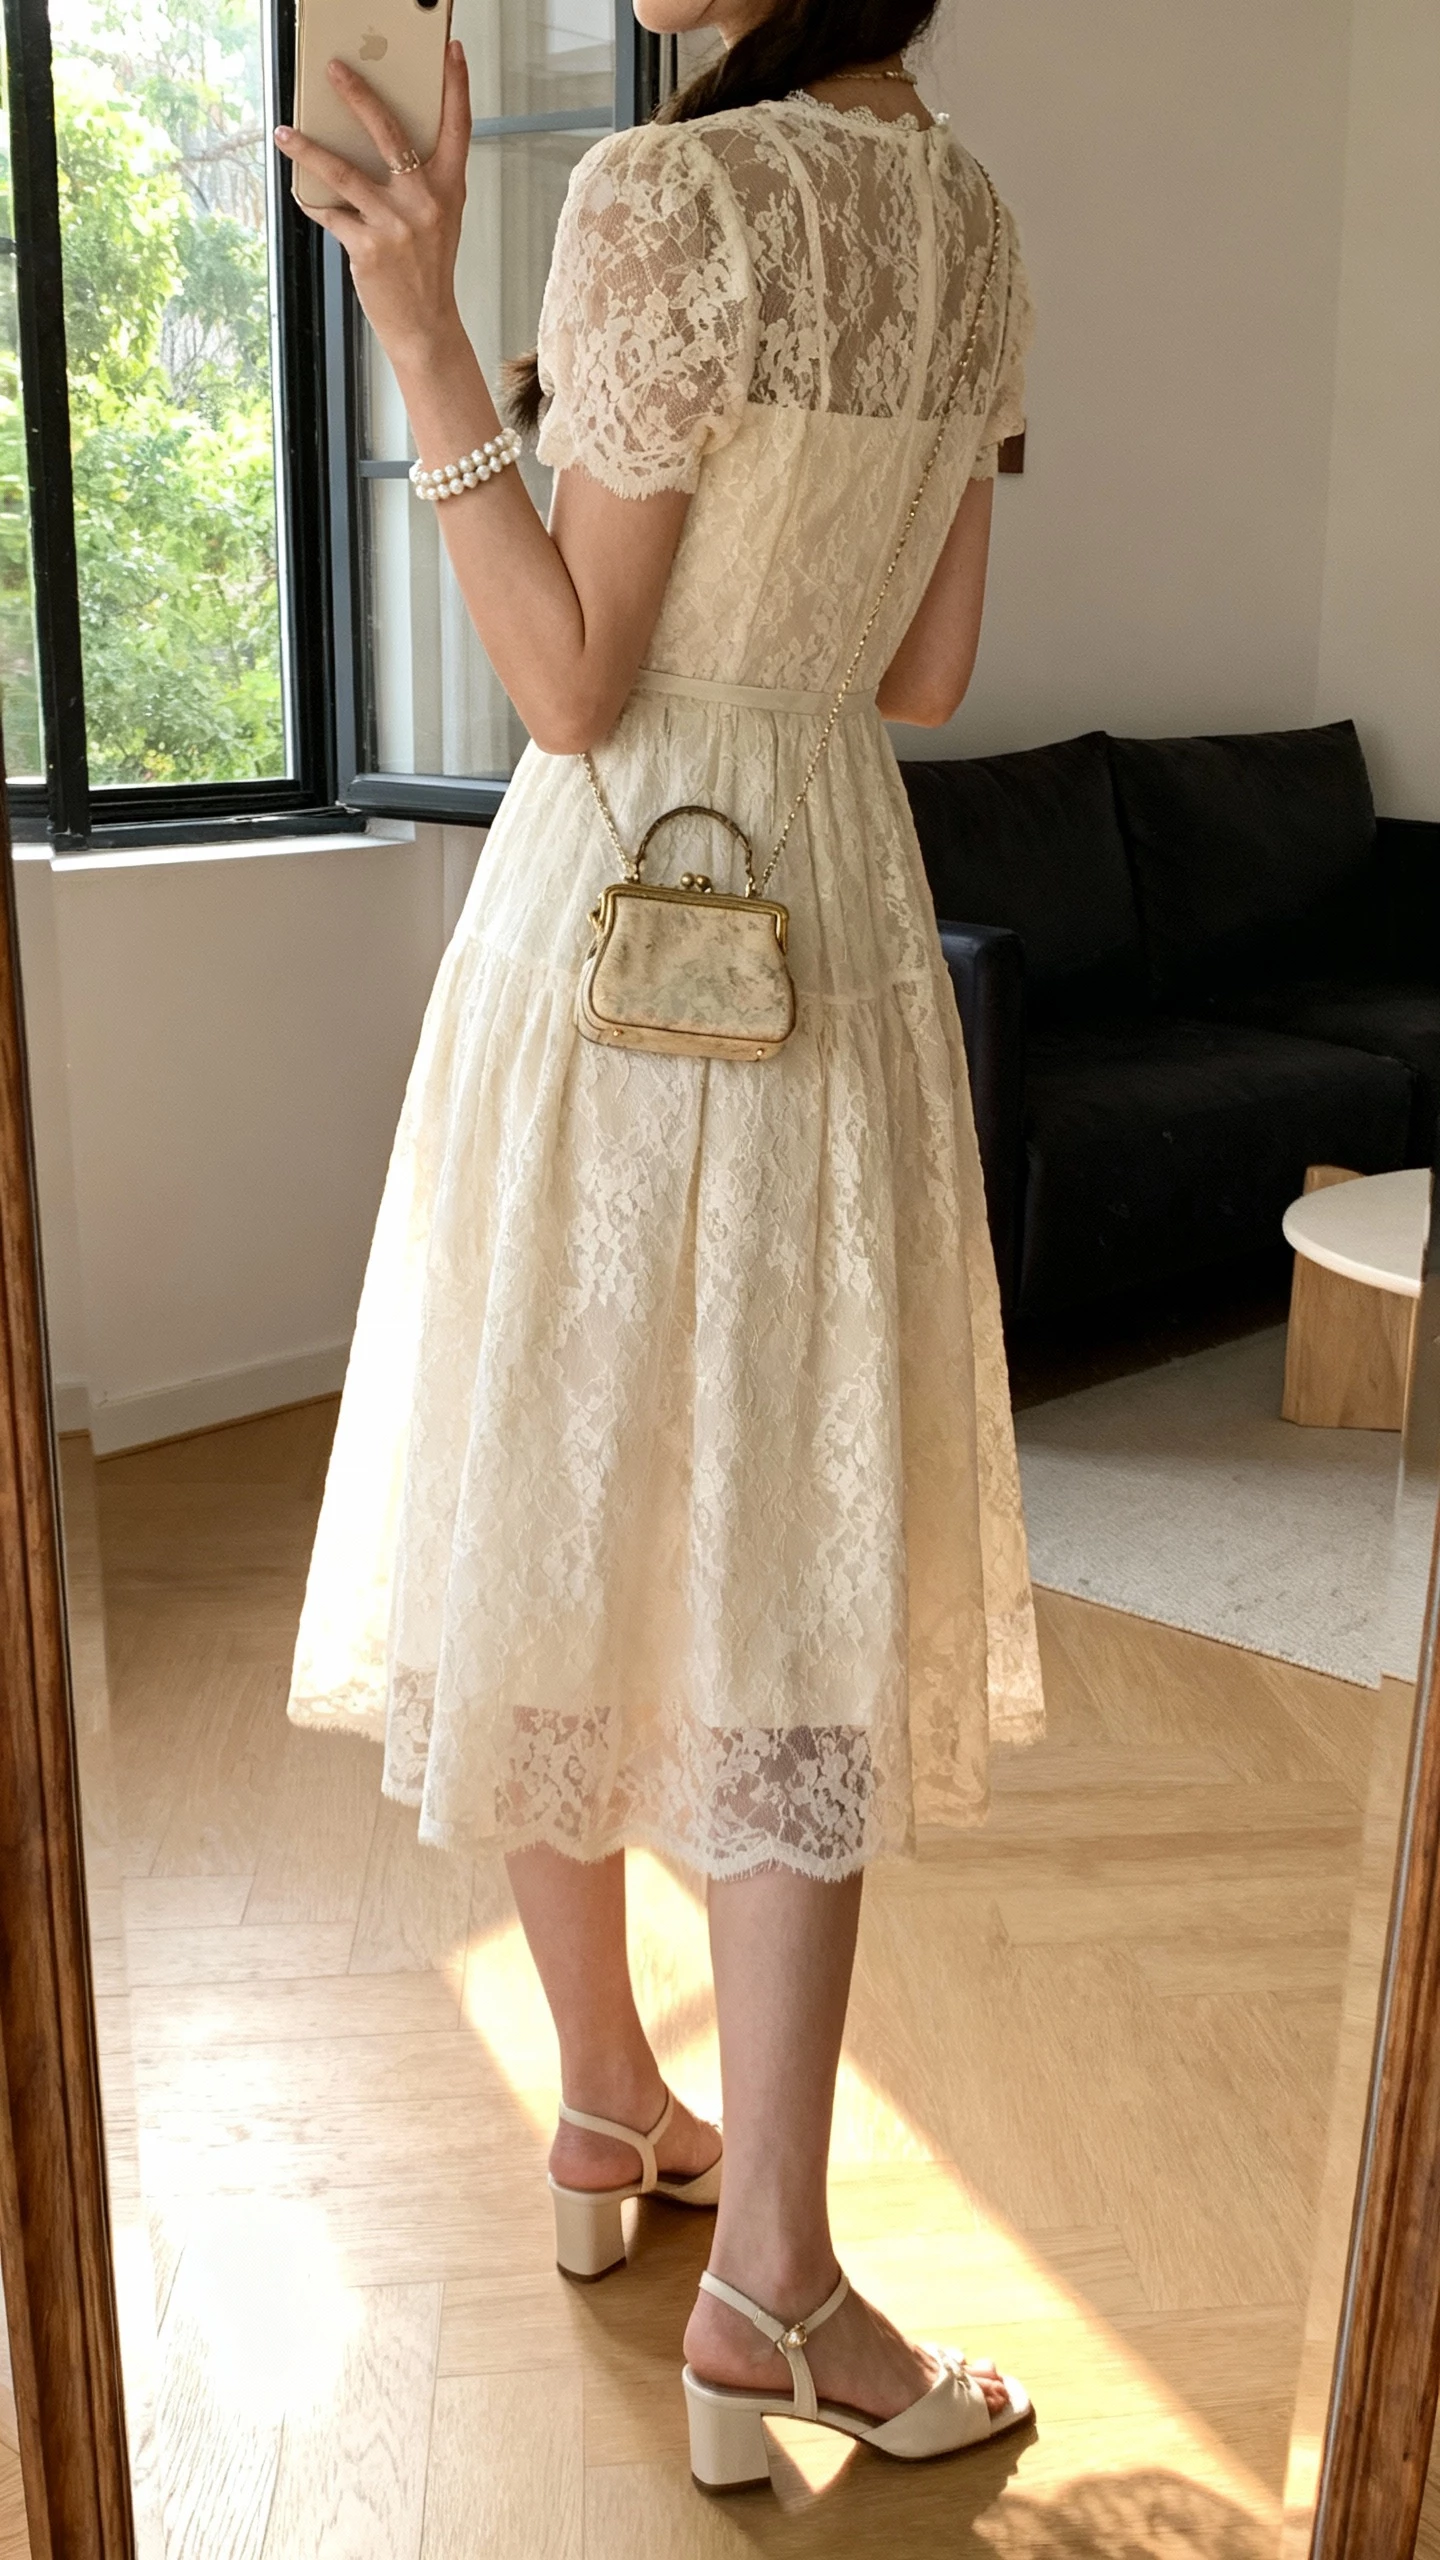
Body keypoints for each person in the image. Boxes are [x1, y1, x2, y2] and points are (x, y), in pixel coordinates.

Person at [277, 0, 1043, 2490]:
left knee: (559, 1498)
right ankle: (726, 2211)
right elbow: (928, 669)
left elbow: (569, 686)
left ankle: (651, 2142)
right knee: (788, 1556)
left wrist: (420, 329)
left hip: (612, 922)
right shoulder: (972, 222)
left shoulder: (664, 197)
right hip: (829, 917)